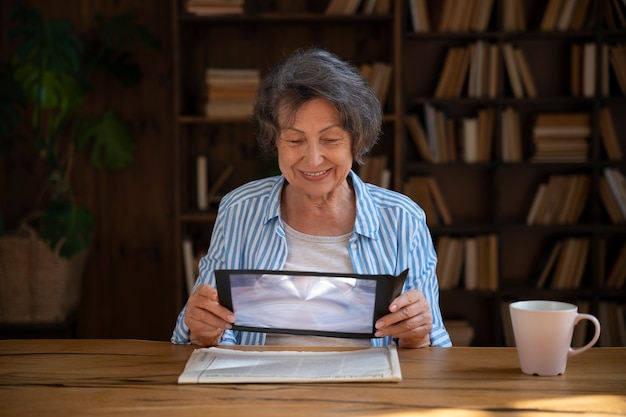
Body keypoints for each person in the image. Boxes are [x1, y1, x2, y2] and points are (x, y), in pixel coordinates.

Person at [171, 48, 452, 348]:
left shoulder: (403, 219)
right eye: (294, 140)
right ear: (274, 139)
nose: (313, 159)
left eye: (330, 140)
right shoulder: (239, 209)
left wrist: (417, 335)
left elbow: (433, 344)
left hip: (367, 391)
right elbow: (197, 329)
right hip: (261, 390)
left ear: (355, 141)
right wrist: (204, 330)